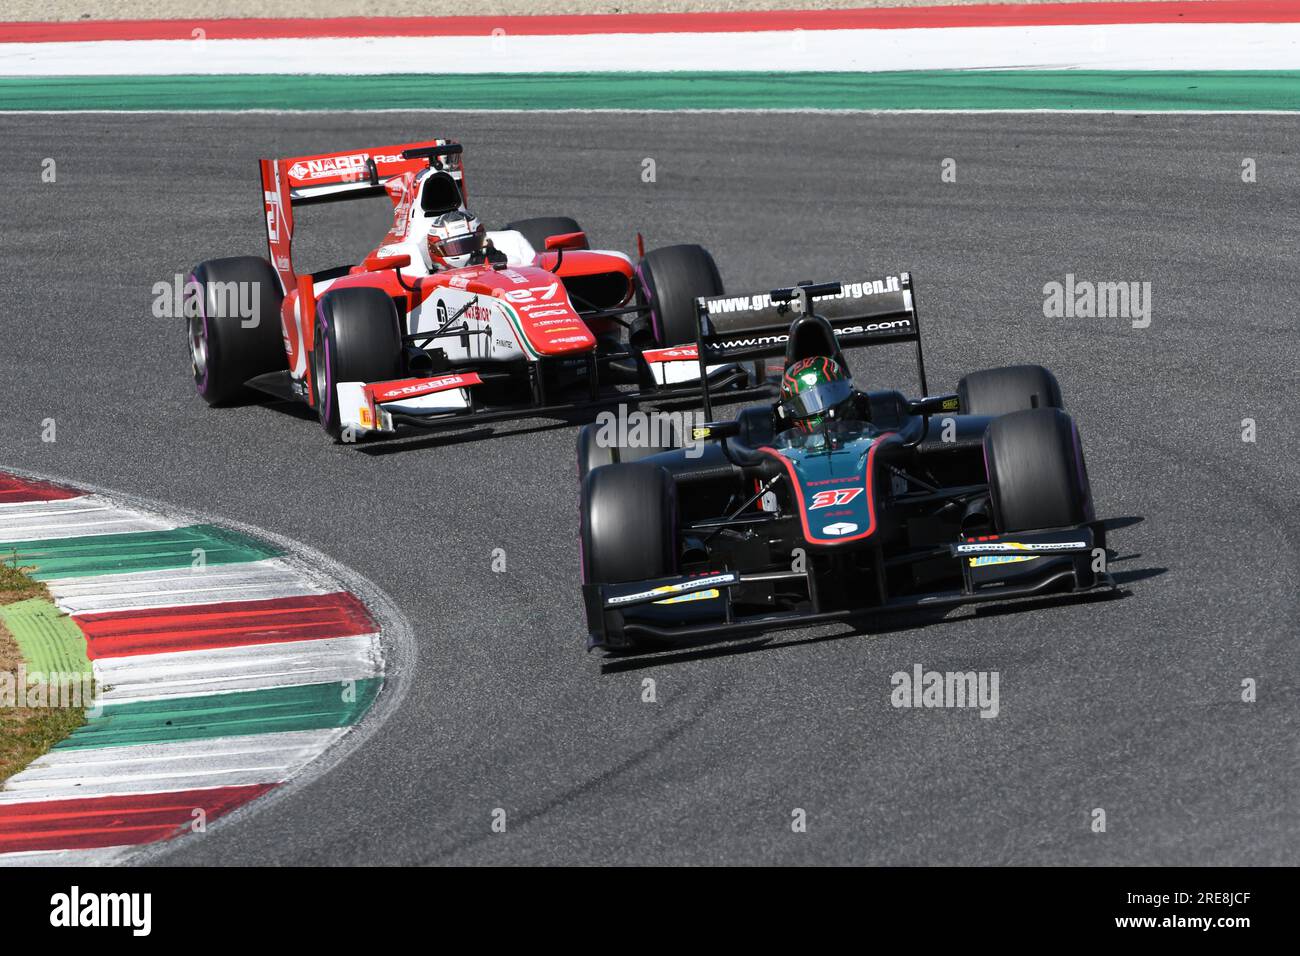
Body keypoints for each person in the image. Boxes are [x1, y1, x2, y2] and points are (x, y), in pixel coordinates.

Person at [424, 210, 505, 270]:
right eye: (454, 248)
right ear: (434, 250)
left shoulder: (492, 260)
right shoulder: (425, 282)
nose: (468, 253)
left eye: (471, 244)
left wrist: (500, 265)